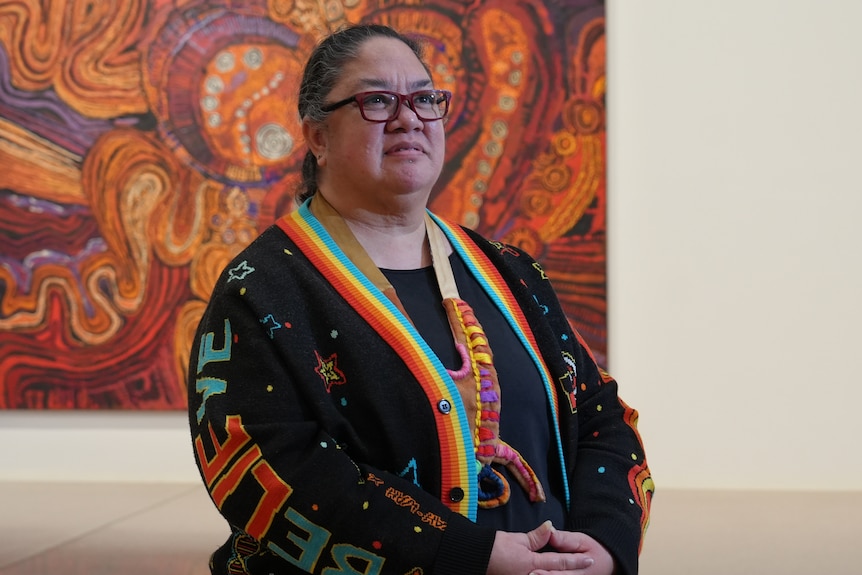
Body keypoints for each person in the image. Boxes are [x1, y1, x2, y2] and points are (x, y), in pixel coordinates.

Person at [188, 23, 652, 575]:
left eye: (425, 98)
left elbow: (601, 417)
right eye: (378, 100)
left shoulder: (511, 272)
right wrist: (465, 554)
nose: (408, 117)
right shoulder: (262, 288)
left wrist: (602, 543)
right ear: (317, 138)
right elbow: (273, 468)